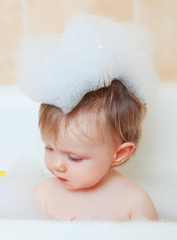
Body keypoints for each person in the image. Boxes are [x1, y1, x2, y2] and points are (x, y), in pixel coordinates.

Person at [34, 79, 158, 221]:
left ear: (119, 154)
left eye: (74, 157)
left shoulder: (135, 203)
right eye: (50, 148)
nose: (56, 164)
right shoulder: (43, 195)